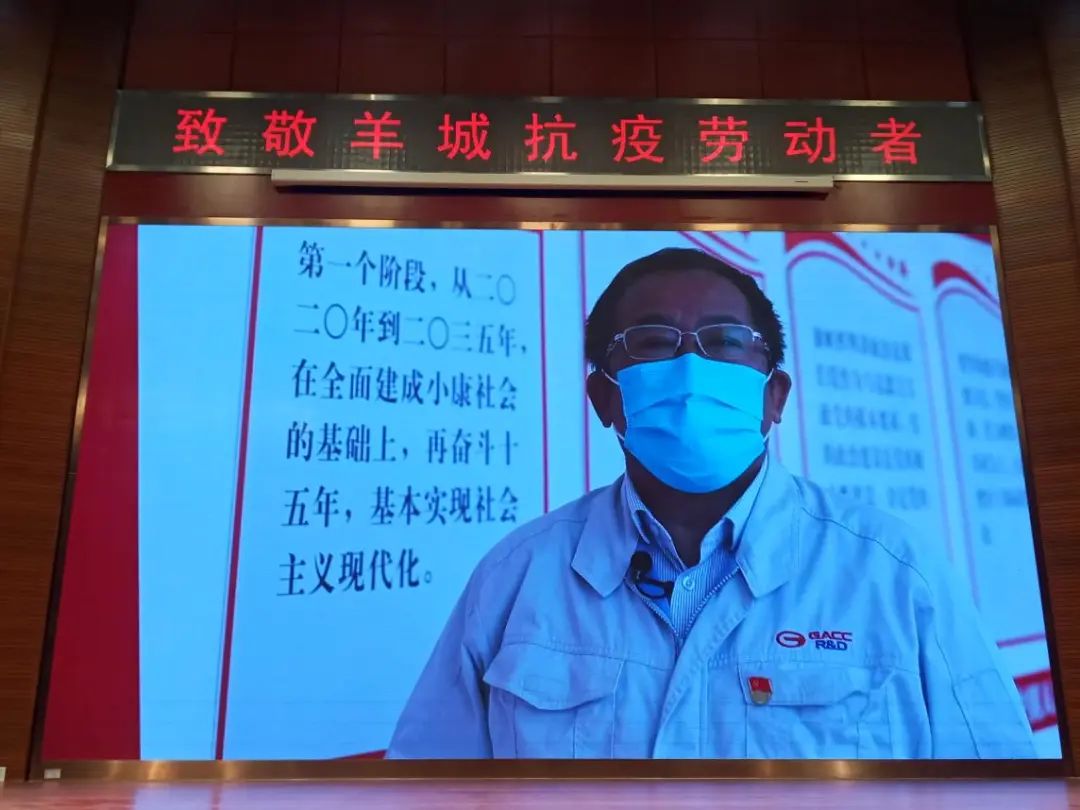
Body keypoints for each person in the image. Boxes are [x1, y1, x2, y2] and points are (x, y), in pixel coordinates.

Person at [387, 247, 1035, 759]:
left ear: (774, 397)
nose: (692, 370)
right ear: (605, 399)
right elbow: (425, 790)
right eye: (654, 342)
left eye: (725, 342)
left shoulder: (895, 577)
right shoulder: (516, 579)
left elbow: (1003, 787)